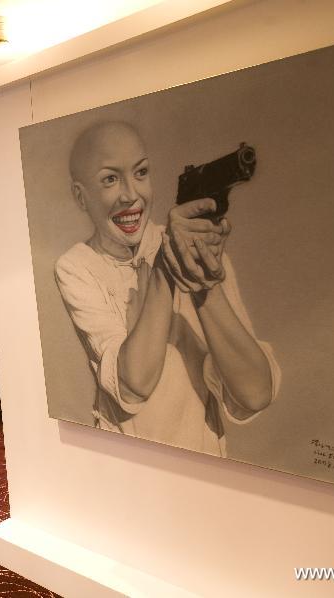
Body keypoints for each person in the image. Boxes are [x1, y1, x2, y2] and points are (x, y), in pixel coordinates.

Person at [55, 121, 281, 456]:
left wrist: (204, 281)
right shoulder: (76, 267)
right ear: (80, 196)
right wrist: (168, 265)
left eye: (141, 172)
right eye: (110, 179)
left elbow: (255, 392)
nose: (131, 194)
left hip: (206, 465)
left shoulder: (194, 243)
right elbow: (134, 384)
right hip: (126, 467)